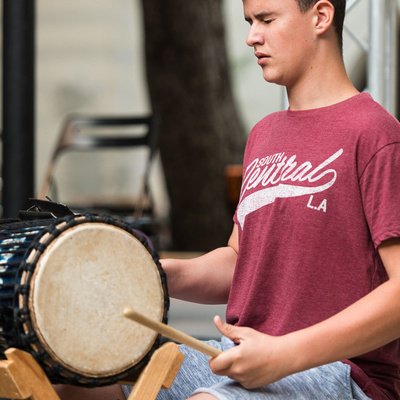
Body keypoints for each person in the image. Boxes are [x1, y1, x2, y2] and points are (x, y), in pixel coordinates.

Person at [55, 0, 400, 399]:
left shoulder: (377, 135)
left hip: (340, 374)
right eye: (249, 21)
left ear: (321, 17)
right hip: (242, 354)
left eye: (267, 20)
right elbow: (241, 262)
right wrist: (156, 275)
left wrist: (285, 353)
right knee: (81, 370)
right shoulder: (264, 134)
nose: (253, 36)